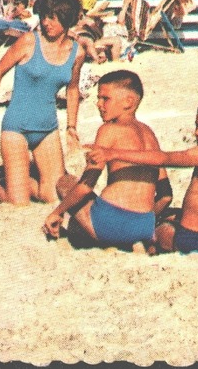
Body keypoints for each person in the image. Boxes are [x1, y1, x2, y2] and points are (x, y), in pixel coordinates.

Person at [86, 97, 198, 256]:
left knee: (159, 229)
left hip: (192, 241)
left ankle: (151, 250)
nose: (197, 133)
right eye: (196, 126)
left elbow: (163, 158)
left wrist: (113, 153)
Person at [0, 0, 86, 206]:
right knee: (18, 204)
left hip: (47, 130)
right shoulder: (29, 41)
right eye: (45, 16)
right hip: (16, 128)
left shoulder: (77, 53)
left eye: (52, 18)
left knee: (53, 197)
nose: (46, 22)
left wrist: (71, 126)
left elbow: (72, 89)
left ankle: (15, 180)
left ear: (67, 20)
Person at [42, 71, 168, 251]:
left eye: (105, 99)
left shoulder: (108, 130)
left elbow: (86, 185)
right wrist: (143, 221)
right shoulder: (150, 134)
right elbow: (166, 195)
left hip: (110, 223)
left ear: (128, 102)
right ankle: (133, 241)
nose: (99, 104)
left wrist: (57, 212)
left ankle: (109, 241)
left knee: (65, 182)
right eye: (98, 98)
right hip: (144, 226)